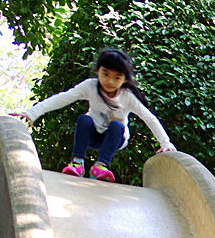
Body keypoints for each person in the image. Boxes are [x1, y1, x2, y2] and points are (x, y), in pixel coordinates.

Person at [10, 48, 176, 183]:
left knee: (117, 125)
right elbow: (62, 98)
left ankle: (101, 166)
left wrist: (165, 143)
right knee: (84, 119)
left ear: (125, 80)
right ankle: (77, 163)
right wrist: (32, 113)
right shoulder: (90, 86)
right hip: (93, 135)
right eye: (105, 74)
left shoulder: (127, 96)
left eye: (117, 77)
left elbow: (149, 118)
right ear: (98, 71)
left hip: (115, 139)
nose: (110, 81)